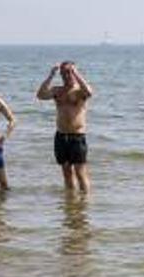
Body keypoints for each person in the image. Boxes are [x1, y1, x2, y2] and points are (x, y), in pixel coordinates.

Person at [36, 61, 94, 192]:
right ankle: (71, 204)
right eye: (63, 73)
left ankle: (84, 205)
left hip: (77, 136)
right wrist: (51, 74)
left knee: (80, 173)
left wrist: (76, 73)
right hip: (61, 136)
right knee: (67, 173)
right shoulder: (58, 91)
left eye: (69, 72)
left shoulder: (80, 91)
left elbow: (89, 93)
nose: (66, 75)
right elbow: (40, 95)